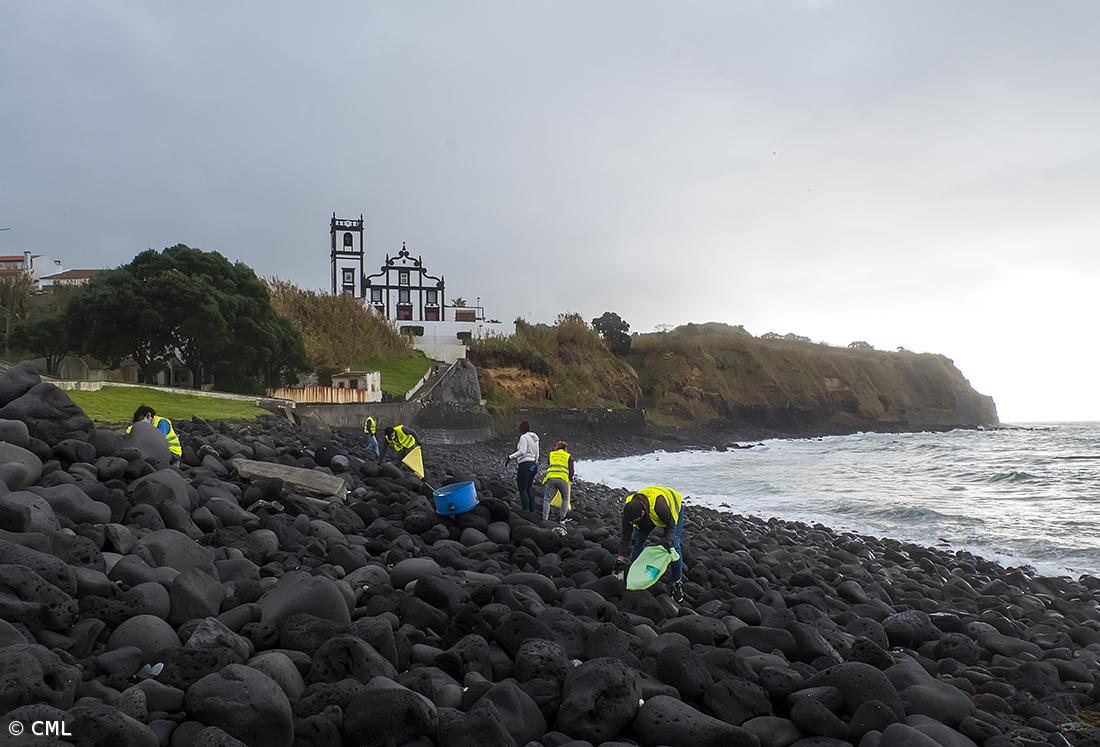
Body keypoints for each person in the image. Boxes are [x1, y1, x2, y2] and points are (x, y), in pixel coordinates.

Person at [616, 486, 686, 602]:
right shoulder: (629, 512)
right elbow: (625, 537)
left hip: (671, 511)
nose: (633, 524)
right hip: (648, 517)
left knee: (674, 548)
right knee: (637, 544)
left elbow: (671, 525)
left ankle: (677, 584)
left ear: (643, 513)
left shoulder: (660, 507)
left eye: (635, 522)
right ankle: (637, 576)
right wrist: (620, 558)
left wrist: (667, 543)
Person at [504, 420, 539, 512]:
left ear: (522, 428)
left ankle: (525, 511)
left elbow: (522, 451)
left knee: (522, 489)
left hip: (525, 465)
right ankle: (532, 511)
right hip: (533, 465)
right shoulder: (535, 438)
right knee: (529, 488)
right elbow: (537, 453)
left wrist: (510, 457)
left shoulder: (523, 437)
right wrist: (535, 463)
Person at [541, 440, 573, 523]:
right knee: (565, 498)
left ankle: (545, 519)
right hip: (563, 479)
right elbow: (571, 469)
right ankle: (562, 518)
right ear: (565, 448)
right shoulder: (568, 456)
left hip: (551, 478)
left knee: (547, 499)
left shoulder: (552, 454)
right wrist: (570, 478)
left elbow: (549, 463)